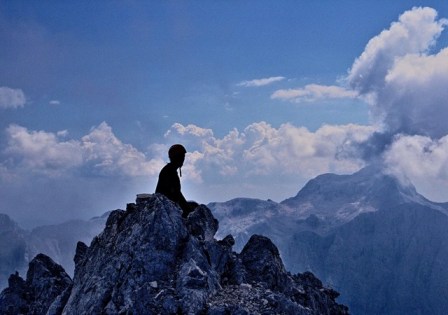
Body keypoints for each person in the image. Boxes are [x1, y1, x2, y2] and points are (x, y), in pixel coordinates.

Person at [155, 144, 197, 217]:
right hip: (166, 206)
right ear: (177, 157)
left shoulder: (170, 170)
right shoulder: (169, 171)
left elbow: (177, 194)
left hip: (167, 203)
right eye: (182, 157)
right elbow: (175, 194)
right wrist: (186, 208)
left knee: (193, 206)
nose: (183, 159)